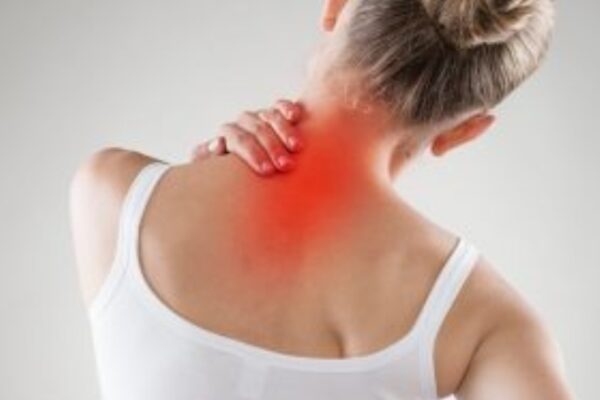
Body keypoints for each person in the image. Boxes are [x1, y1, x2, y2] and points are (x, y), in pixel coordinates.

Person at [69, 0, 574, 399]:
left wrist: (201, 178)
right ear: (465, 130)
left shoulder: (110, 194)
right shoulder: (485, 323)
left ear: (335, 7)